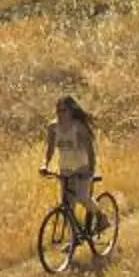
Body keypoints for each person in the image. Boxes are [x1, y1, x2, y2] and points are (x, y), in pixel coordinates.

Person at [42, 94, 98, 238]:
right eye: (58, 110)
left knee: (82, 197)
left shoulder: (78, 127)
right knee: (68, 206)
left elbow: (90, 150)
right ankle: (74, 239)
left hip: (81, 168)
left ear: (71, 111)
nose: (61, 114)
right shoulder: (53, 127)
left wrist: (91, 170)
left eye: (64, 110)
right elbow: (50, 149)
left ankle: (100, 216)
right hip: (65, 169)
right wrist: (45, 165)